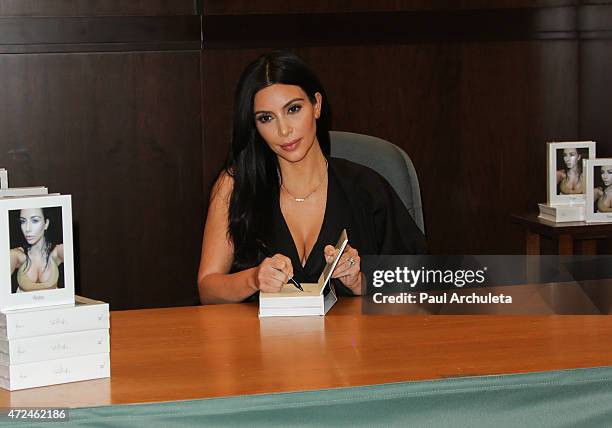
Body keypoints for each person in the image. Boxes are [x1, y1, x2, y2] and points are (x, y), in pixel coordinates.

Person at [197, 51, 427, 304]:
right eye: (266, 118)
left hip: (352, 343)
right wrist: (253, 279)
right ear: (255, 126)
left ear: (316, 105)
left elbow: (423, 280)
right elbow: (208, 288)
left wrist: (362, 281)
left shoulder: (367, 188)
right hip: (258, 342)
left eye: (293, 109)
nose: (284, 130)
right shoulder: (235, 186)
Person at [9, 207, 64, 293]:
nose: (27, 229)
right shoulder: (16, 255)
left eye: (35, 221)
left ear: (46, 223)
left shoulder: (58, 251)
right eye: (23, 221)